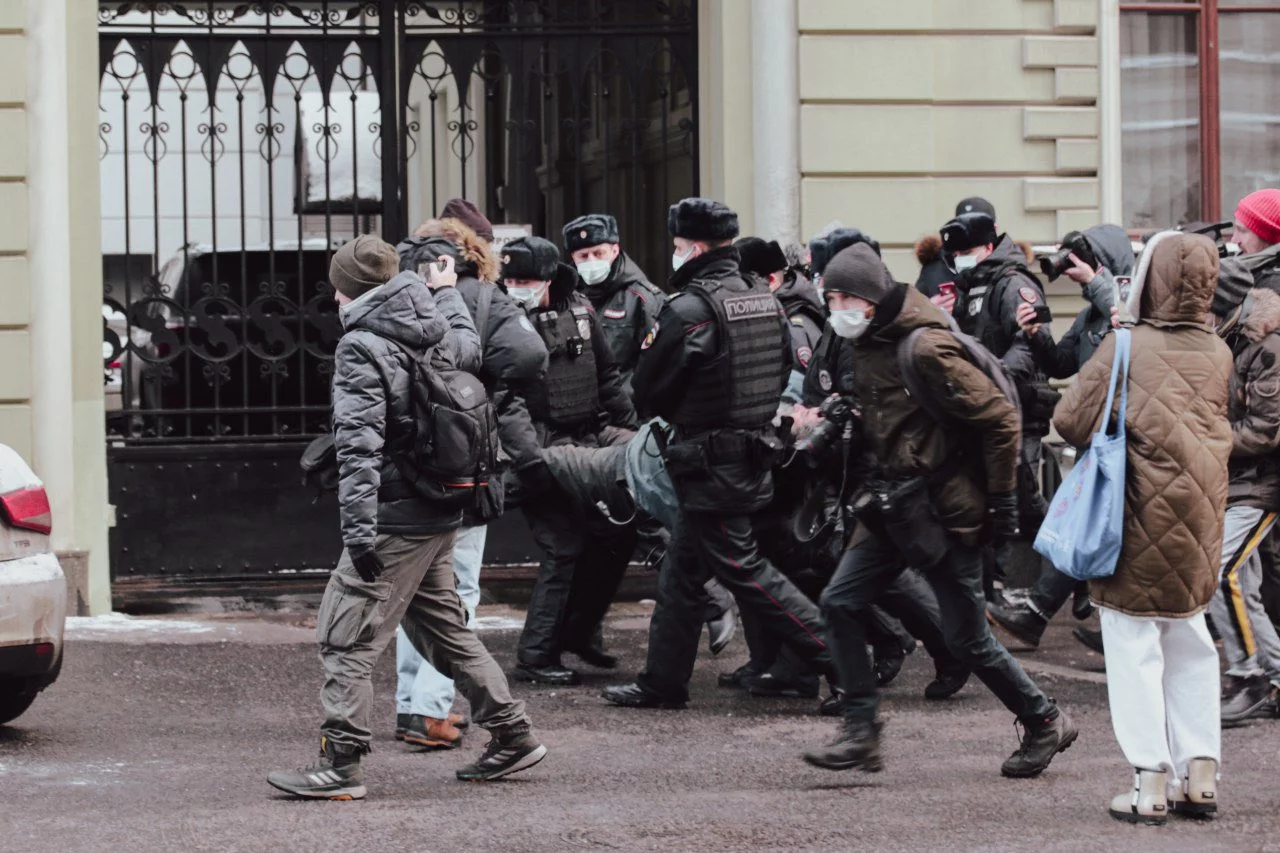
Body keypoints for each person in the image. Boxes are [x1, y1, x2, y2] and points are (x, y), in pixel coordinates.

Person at [267, 236, 545, 799]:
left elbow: (359, 447)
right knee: (445, 633)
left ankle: (339, 766)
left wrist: (359, 532)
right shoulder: (434, 320)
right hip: (440, 509)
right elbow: (470, 350)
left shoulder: (362, 345)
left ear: (347, 289)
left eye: (337, 287)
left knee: (345, 636)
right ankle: (514, 735)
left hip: (396, 518)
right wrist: (446, 293)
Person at [801, 242, 1075, 779]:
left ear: (872, 299)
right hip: (891, 505)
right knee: (839, 602)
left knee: (967, 638)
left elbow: (1000, 419)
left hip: (946, 511)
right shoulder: (868, 342)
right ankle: (861, 732)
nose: (836, 308)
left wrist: (1000, 504)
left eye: (844, 297)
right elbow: (893, 416)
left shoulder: (925, 347)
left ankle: (1044, 719)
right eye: (830, 297)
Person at [602, 197, 835, 709]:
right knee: (682, 572)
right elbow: (778, 374)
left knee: (747, 572)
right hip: (748, 454)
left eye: (678, 246)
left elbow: (649, 391)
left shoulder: (688, 309)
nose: (675, 254)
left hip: (710, 461)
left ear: (695, 246)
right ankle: (662, 682)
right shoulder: (763, 297)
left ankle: (841, 660)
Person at [1054, 230, 1231, 824]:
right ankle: (1200, 773)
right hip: (1204, 519)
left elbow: (1071, 421)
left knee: (1132, 645)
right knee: (1191, 641)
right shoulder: (1219, 352)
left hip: (1133, 518)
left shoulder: (1126, 347)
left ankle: (1149, 780)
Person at [390, 217, 549, 749]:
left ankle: (414, 705)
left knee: (415, 590)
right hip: (464, 460)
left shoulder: (392, 295)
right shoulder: (481, 298)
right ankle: (430, 711)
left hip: (410, 461)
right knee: (455, 589)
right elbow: (528, 357)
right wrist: (484, 384)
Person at [987, 223, 1135, 652]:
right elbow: (1061, 363)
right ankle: (1082, 621)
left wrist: (1099, 284)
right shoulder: (1091, 313)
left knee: (1095, 527)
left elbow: (1128, 325)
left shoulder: (1127, 304)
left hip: (1127, 440)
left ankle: (1043, 615)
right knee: (1086, 525)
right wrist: (1034, 335)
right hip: (1098, 438)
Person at [501, 236, 639, 687]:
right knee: (563, 547)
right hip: (541, 450)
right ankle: (537, 655)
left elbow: (606, 372)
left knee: (611, 535)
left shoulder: (578, 309)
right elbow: (504, 398)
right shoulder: (503, 321)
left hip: (585, 438)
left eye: (525, 280)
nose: (515, 287)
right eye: (510, 279)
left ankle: (577, 634)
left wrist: (626, 428)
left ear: (548, 278)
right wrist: (529, 459)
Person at [942, 211, 1058, 604]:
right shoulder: (971, 284)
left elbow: (1027, 348)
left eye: (967, 250)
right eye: (955, 252)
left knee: (1023, 503)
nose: (960, 258)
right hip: (985, 412)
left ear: (989, 247)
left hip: (1018, 412)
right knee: (993, 501)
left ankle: (1074, 573)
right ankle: (991, 591)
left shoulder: (1014, 284)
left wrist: (990, 378)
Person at [1206, 280, 1280, 727]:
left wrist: (1207, 441)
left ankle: (1247, 675)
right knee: (1241, 589)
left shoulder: (1267, 347)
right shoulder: (1228, 342)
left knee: (1221, 574)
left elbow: (1266, 429)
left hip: (1260, 484)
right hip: (1234, 482)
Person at [562, 213, 665, 397]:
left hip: (627, 413)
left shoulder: (642, 299)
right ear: (573, 257)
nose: (591, 261)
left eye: (598, 253)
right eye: (583, 256)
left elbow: (659, 364)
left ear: (615, 251)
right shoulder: (566, 299)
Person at [914, 197, 996, 299]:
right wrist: (931, 308)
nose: (969, 232)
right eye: (963, 225)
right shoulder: (934, 268)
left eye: (978, 226)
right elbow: (916, 309)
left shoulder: (1009, 269)